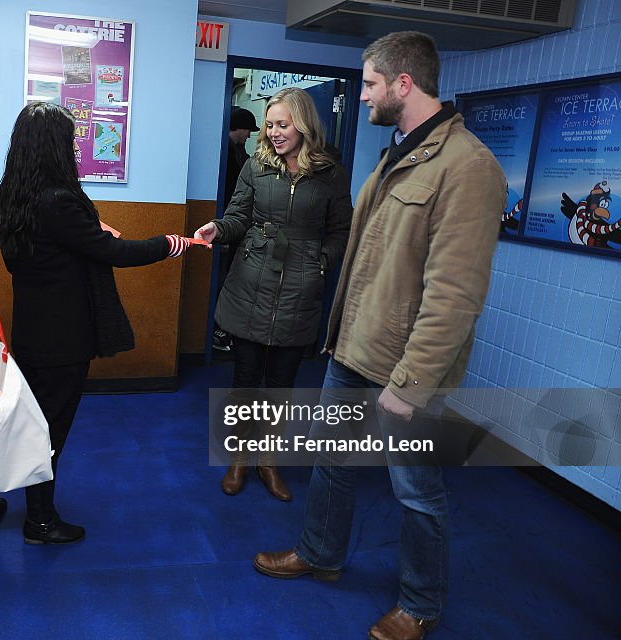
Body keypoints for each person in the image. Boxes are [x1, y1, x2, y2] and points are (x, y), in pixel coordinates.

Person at [251, 32, 505, 640]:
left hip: (402, 367)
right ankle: (320, 554)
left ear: (403, 84)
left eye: (368, 84)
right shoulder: (398, 154)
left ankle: (421, 603)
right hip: (353, 348)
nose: (360, 95)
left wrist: (411, 384)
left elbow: (455, 294)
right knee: (334, 463)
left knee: (415, 490)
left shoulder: (468, 167)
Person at [0, 101, 191, 544]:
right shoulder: (58, 200)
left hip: (31, 330)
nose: (74, 150)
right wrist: (171, 243)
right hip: (62, 337)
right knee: (48, 429)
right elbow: (113, 253)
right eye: (69, 142)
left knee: (18, 419)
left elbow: (58, 246)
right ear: (55, 148)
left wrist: (92, 229)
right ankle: (40, 520)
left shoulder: (12, 194)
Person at [195, 88, 352, 502]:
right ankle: (238, 459)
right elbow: (237, 217)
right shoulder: (255, 164)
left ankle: (269, 461)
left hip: (301, 288)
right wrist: (218, 229)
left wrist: (321, 261)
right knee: (244, 381)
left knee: (281, 386)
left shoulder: (331, 173)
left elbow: (341, 231)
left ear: (303, 124)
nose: (274, 132)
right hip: (252, 282)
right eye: (269, 124)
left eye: (282, 124)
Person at [212, 106, 259, 352]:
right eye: (247, 130)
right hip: (227, 225)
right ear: (237, 128)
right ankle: (220, 330)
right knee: (224, 278)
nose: (249, 135)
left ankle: (222, 330)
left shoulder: (239, 153)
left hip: (231, 226)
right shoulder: (228, 154)